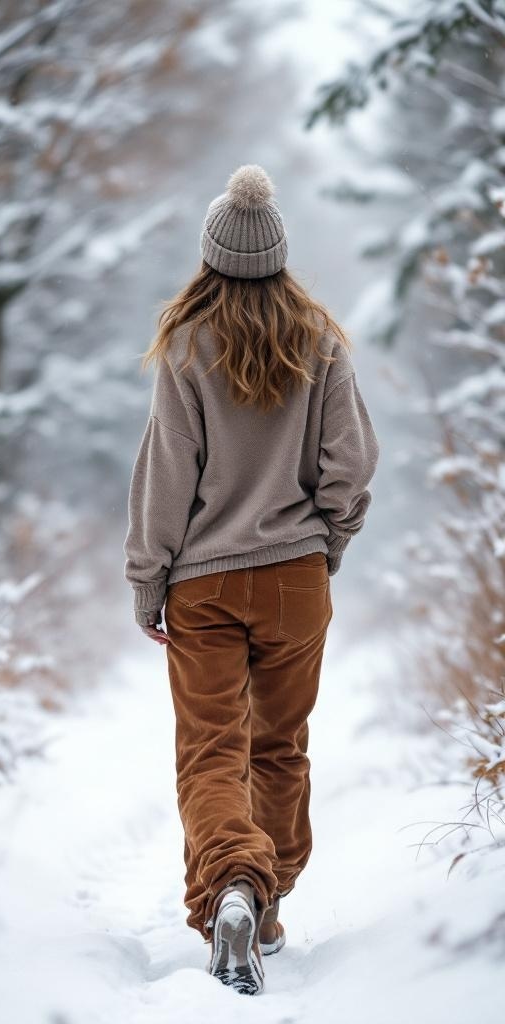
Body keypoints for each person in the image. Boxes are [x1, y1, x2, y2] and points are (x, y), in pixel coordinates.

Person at [123, 164, 379, 995]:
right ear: (278, 256)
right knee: (279, 746)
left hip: (203, 583)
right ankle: (263, 904)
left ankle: (232, 881)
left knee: (210, 752)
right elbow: (351, 464)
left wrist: (147, 580)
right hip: (296, 579)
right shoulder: (322, 341)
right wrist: (328, 542)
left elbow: (167, 475)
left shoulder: (187, 346)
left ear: (211, 258)